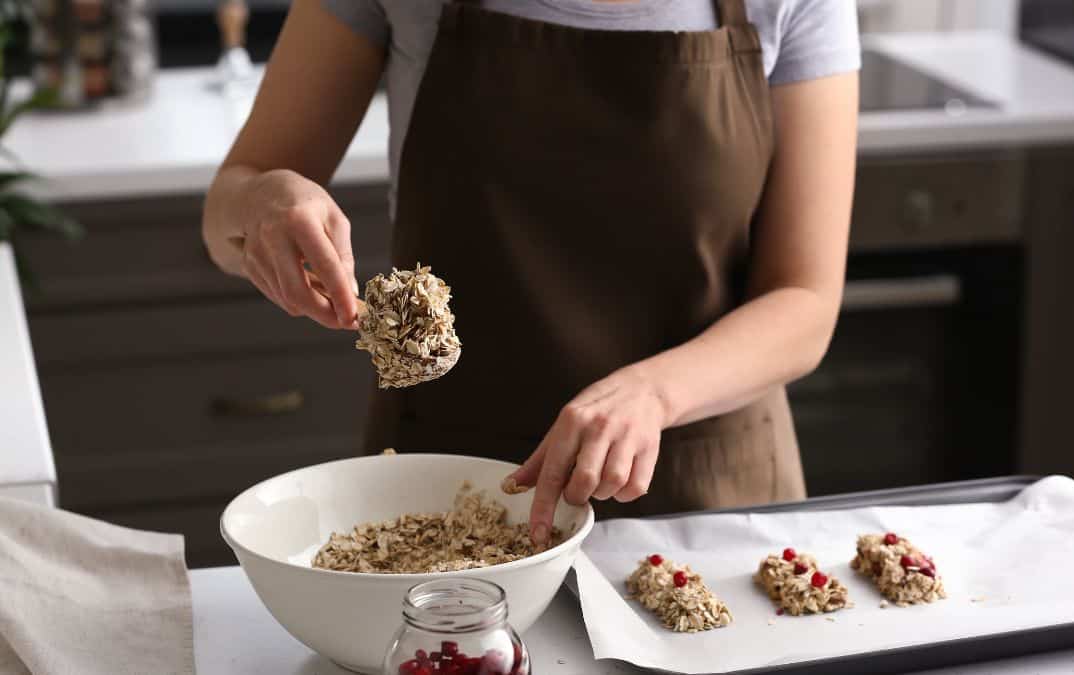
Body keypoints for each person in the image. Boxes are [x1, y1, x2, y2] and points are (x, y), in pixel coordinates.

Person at [202, 0, 859, 546]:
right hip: (447, 493)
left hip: (704, 496)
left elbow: (805, 297)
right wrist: (265, 203)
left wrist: (653, 395)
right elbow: (229, 204)